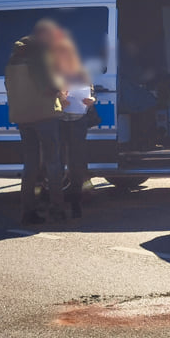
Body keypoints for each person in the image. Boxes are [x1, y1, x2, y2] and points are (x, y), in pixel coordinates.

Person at [4, 20, 65, 224]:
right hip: (45, 117)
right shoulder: (38, 61)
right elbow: (50, 87)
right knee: (53, 164)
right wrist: (61, 89)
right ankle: (57, 210)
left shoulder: (11, 65)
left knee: (29, 165)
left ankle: (27, 212)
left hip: (23, 119)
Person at [51, 34, 96, 219]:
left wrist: (90, 100)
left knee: (77, 163)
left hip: (78, 121)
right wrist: (59, 98)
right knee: (58, 163)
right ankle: (58, 204)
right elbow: (45, 93)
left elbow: (92, 93)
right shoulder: (53, 72)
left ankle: (76, 201)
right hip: (59, 121)